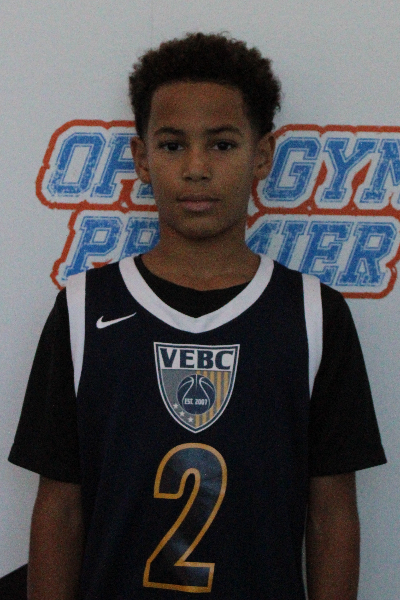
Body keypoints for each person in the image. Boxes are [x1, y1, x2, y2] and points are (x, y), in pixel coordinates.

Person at [9, 32, 386, 600]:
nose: (196, 168)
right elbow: (59, 508)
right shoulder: (85, 308)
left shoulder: (314, 314)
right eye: (171, 145)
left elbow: (332, 513)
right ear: (141, 158)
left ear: (263, 155)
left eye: (222, 144)